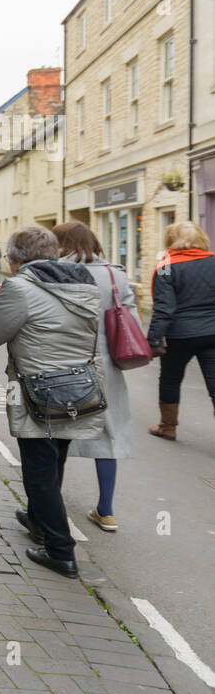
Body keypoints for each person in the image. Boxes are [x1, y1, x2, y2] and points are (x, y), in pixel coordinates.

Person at [0, 226, 106, 578]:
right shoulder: (83, 281)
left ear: (17, 259)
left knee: (38, 473)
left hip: (38, 391)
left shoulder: (19, 287)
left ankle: (60, 551)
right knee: (55, 459)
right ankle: (38, 520)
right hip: (77, 387)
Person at [54, 221, 139, 532]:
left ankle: (50, 505)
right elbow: (133, 319)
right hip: (106, 363)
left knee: (55, 433)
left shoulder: (53, 272)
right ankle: (106, 510)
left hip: (64, 361)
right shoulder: (116, 274)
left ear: (61, 243)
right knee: (108, 434)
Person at [145, 221, 215, 441]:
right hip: (213, 332)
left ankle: (168, 427)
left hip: (180, 335)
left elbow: (164, 308)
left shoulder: (166, 265)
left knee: (170, 378)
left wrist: (153, 339)